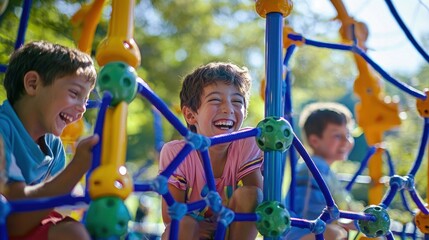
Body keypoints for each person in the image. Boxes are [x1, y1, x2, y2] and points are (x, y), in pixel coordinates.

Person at [0, 41, 99, 240]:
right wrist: (78, 166)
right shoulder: (3, 130)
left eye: (86, 101)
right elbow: (14, 223)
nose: (82, 109)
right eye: (74, 93)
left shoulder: (53, 147)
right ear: (33, 84)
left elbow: (61, 202)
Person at [158, 62, 264, 240]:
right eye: (215, 100)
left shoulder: (246, 142)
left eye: (237, 101)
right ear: (191, 115)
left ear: (244, 113)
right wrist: (198, 227)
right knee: (184, 223)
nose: (228, 108)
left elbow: (256, 200)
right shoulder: (177, 153)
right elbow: (170, 216)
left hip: (230, 229)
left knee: (250, 193)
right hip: (193, 234)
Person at [285, 102, 359, 240]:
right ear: (315, 140)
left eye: (348, 134)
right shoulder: (313, 168)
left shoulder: (324, 169)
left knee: (339, 233)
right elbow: (309, 212)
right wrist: (346, 221)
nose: (345, 141)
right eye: (337, 136)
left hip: (311, 229)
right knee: (334, 233)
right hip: (297, 234)